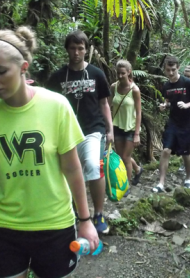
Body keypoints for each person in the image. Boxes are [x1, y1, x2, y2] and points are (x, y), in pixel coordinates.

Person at [0, 26, 98, 278]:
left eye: (1, 71)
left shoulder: (56, 106)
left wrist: (85, 221)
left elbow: (72, 168)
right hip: (3, 228)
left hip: (55, 226)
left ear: (23, 67)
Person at [46, 30, 112, 234]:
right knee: (72, 174)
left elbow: (104, 103)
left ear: (86, 50)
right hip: (66, 132)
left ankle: (98, 214)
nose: (76, 52)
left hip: (93, 129)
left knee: (93, 166)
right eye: (73, 48)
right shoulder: (57, 77)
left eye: (80, 48)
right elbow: (49, 107)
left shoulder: (96, 74)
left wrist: (109, 129)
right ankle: (77, 213)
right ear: (67, 49)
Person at [153, 56, 190, 192]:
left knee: (185, 152)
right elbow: (168, 101)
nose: (170, 73)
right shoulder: (166, 86)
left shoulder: (187, 82)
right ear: (164, 69)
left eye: (173, 70)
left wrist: (188, 104)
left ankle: (189, 178)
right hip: (173, 121)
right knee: (165, 150)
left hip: (188, 122)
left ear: (178, 68)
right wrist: (164, 105)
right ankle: (161, 183)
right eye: (168, 70)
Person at [108, 60, 143, 187]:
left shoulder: (135, 90)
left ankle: (126, 185)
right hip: (117, 126)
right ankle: (138, 169)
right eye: (118, 73)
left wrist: (137, 134)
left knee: (125, 157)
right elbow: (108, 105)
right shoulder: (114, 87)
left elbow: (139, 113)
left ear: (129, 72)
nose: (120, 76)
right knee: (121, 156)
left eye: (123, 73)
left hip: (131, 127)